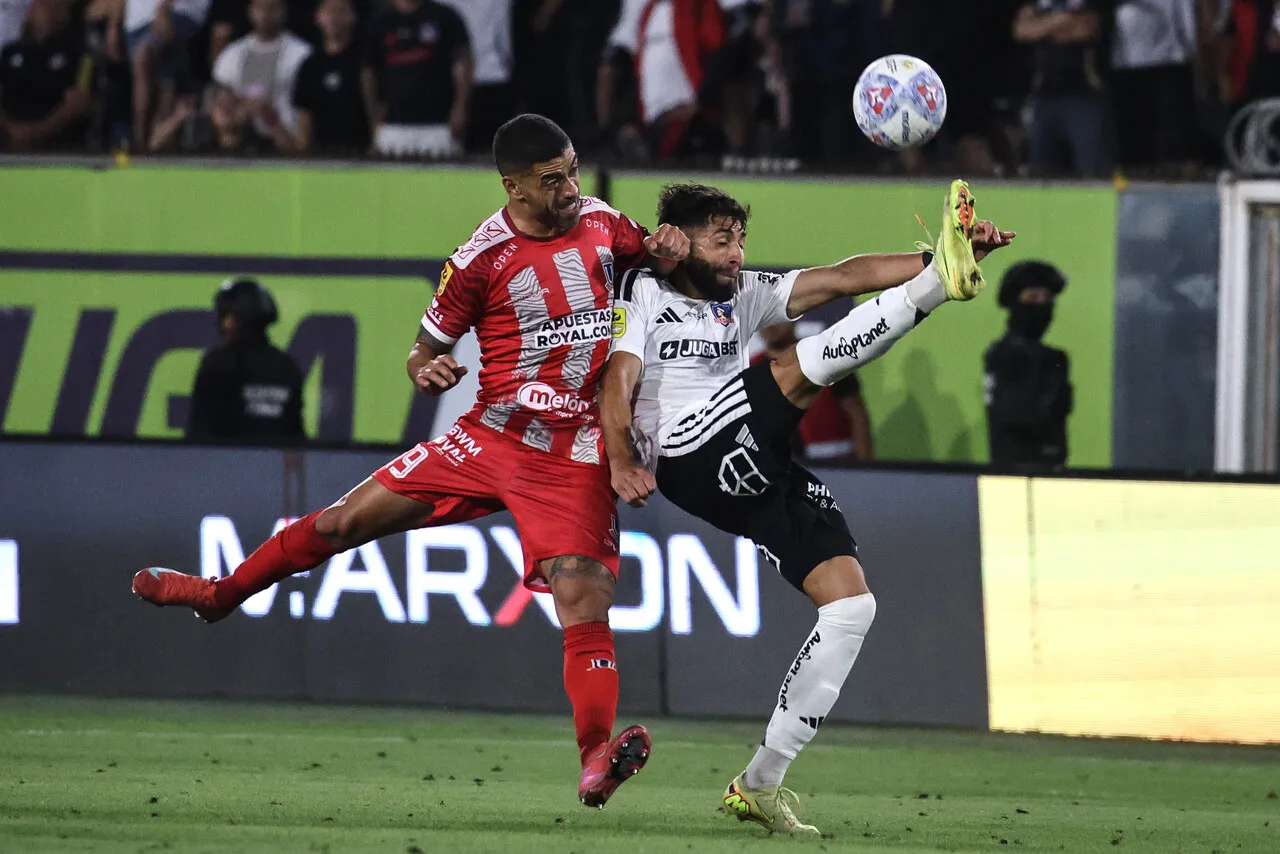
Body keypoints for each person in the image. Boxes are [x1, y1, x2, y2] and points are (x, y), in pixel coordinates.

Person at [133, 113, 691, 809]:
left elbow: (657, 267)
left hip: (571, 450)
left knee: (581, 590)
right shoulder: (479, 259)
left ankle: (595, 756)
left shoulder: (606, 223)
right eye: (552, 180)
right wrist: (424, 370)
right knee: (341, 523)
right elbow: (423, 349)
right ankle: (220, 597)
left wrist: (667, 248)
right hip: (488, 438)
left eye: (574, 169)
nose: (571, 187)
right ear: (512, 187)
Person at [600, 180, 1013, 835]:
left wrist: (946, 252)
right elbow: (618, 380)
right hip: (685, 450)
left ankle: (760, 782)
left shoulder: (745, 293)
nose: (737, 254)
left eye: (741, 239)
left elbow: (847, 276)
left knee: (851, 606)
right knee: (795, 367)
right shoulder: (643, 292)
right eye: (721, 239)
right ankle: (941, 290)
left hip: (749, 459)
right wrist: (622, 457)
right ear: (678, 240)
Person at [187, 277, 305, 443]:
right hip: (273, 468)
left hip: (223, 466)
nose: (224, 325)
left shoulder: (217, 364)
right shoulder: (287, 367)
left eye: (228, 317)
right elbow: (297, 441)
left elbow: (198, 436)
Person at [983, 260, 1072, 471]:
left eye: (1047, 298)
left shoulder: (1052, 358)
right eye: (1033, 297)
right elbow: (1017, 418)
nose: (1042, 305)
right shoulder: (1007, 356)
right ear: (1015, 303)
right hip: (1017, 476)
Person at [1013, 0, 1112, 177]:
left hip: (1084, 97)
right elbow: (1022, 31)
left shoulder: (1090, 4)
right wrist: (1064, 20)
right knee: (1041, 170)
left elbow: (1085, 29)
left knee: (1091, 168)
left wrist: (1042, 26)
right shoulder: (1039, 3)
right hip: (1043, 97)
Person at [362, 0, 472, 158]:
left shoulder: (444, 16)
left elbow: (464, 62)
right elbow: (368, 71)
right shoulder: (380, 21)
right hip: (393, 125)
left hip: (438, 125)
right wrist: (373, 116)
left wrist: (460, 106)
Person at [756, 321, 875, 463]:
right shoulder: (751, 368)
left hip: (837, 465)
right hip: (781, 470)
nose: (770, 325)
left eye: (777, 317)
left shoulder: (826, 357)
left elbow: (857, 414)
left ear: (796, 317)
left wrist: (865, 469)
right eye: (764, 317)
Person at [208, 0, 311, 152]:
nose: (266, 14)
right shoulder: (233, 54)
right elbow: (221, 100)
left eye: (272, 8)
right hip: (241, 138)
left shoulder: (301, 54)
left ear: (283, 11)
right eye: (260, 8)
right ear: (251, 11)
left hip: (285, 140)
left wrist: (266, 114)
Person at [0, 0, 92, 151]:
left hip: (58, 148)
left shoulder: (79, 56)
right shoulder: (9, 53)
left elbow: (77, 104)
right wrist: (11, 129)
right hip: (8, 142)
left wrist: (35, 133)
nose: (45, 9)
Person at [290, 0, 368, 154]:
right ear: (318, 17)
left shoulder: (364, 60)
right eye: (329, 11)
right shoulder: (310, 65)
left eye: (341, 11)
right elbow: (305, 113)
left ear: (352, 17)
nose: (334, 18)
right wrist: (302, 152)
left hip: (360, 151)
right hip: (321, 154)